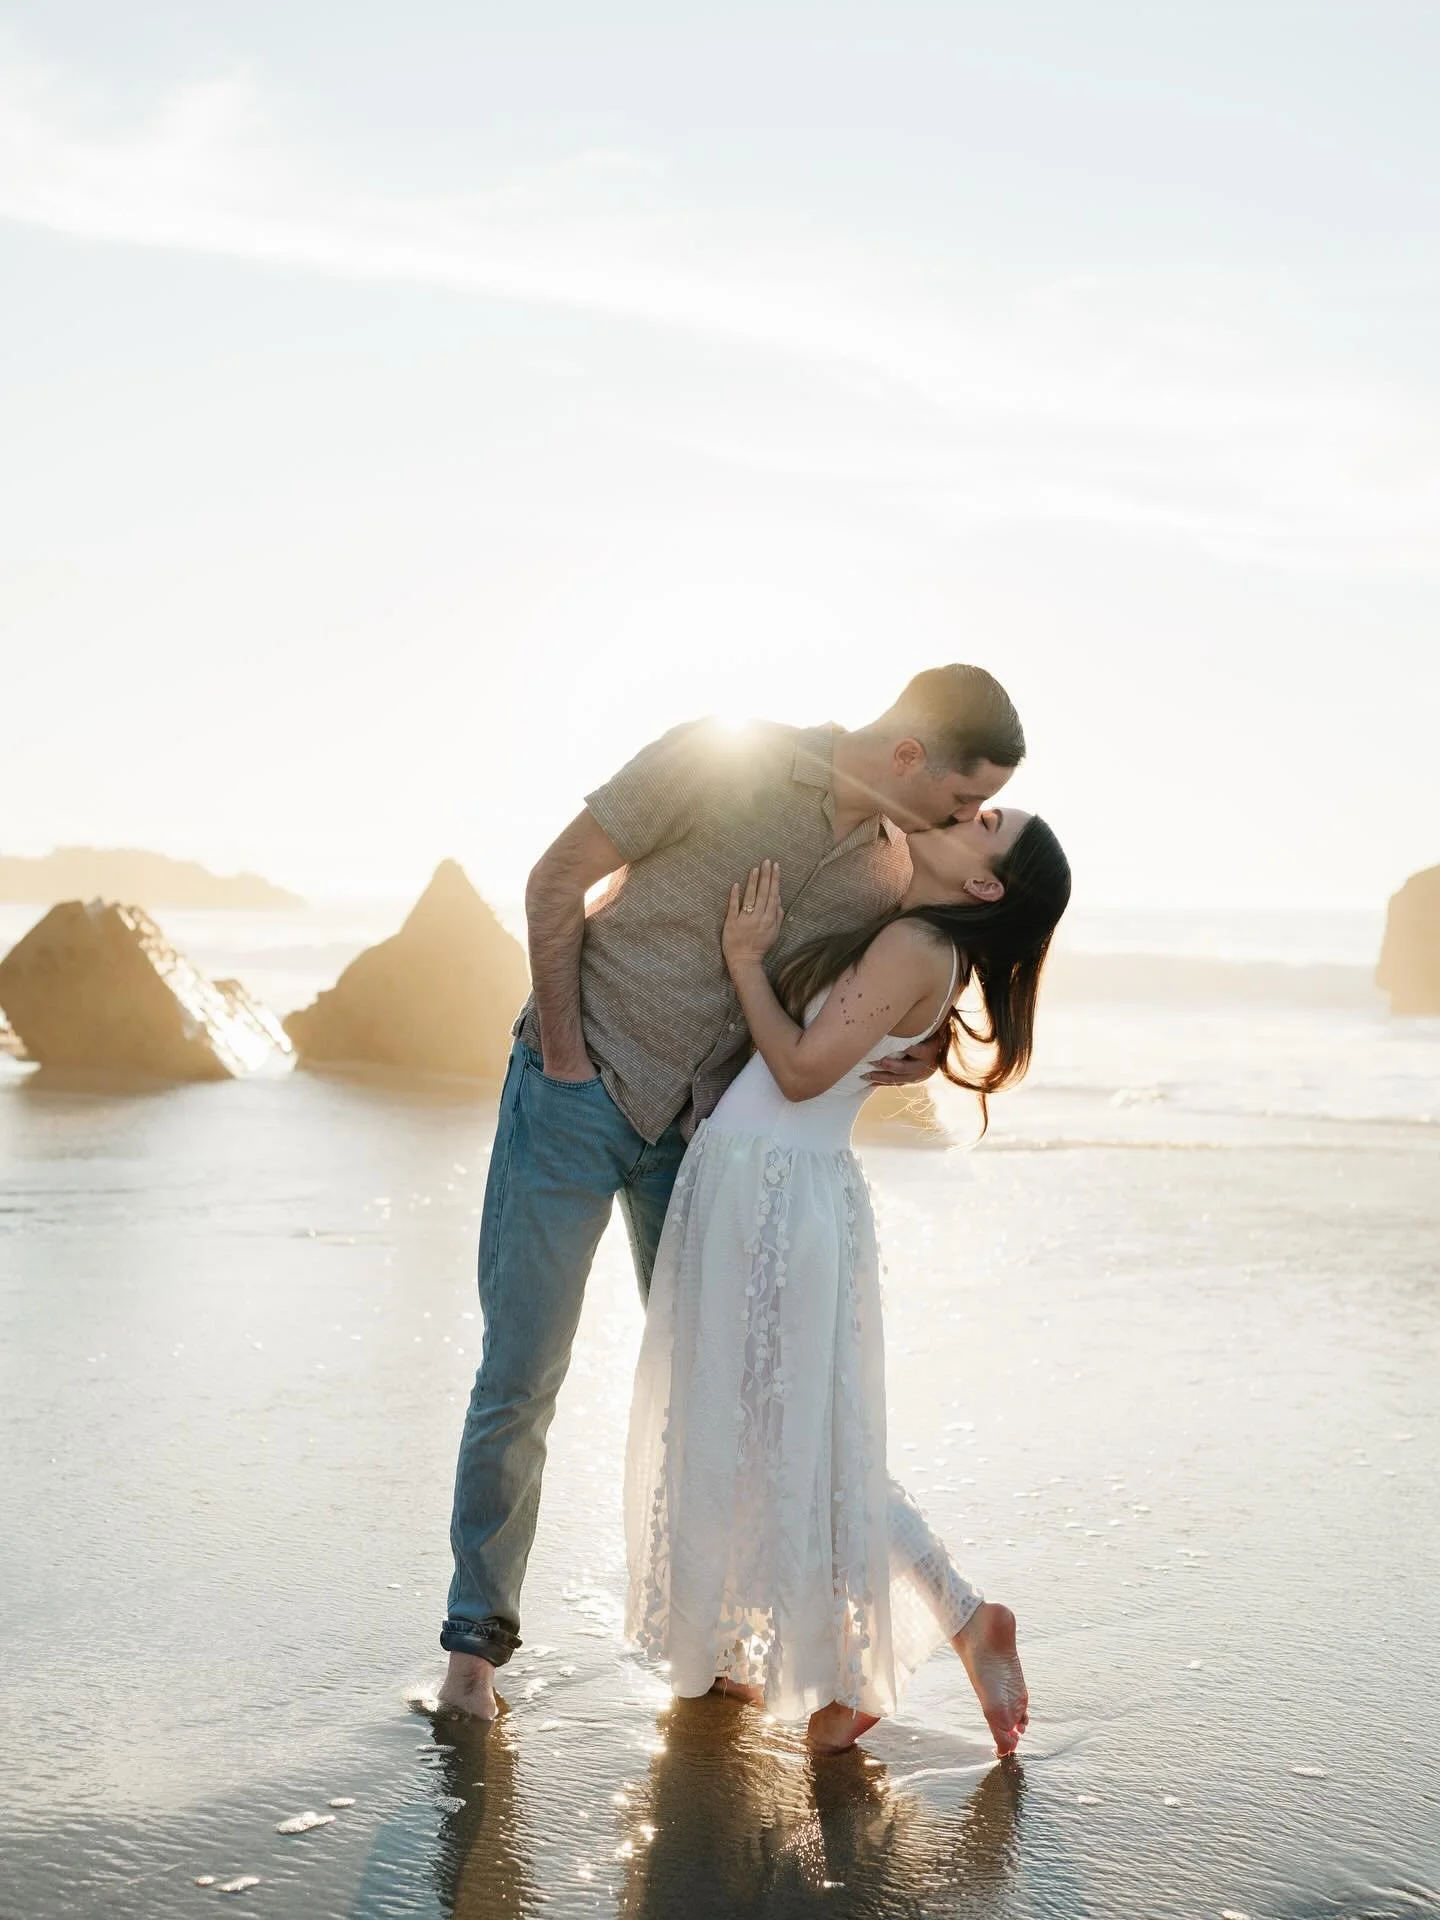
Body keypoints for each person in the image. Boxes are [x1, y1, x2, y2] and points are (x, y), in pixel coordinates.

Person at [439, 666, 1027, 1720]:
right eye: (954, 799)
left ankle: (719, 1648)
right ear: (907, 757)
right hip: (575, 1097)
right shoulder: (720, 759)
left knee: (735, 1408)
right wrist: (566, 1057)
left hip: (702, 1151)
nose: (955, 820)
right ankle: (473, 1655)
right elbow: (553, 880)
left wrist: (929, 1039)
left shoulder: (894, 869)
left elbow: (918, 963)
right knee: (522, 1375)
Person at [625, 807, 1071, 1753]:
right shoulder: (918, 938)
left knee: (797, 1442)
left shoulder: (918, 942)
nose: (963, 811)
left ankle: (937, 1627)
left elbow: (794, 1071)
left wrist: (745, 955)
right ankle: (847, 1663)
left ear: (986, 884)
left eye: (987, 821)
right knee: (788, 1441)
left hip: (772, 1188)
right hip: (773, 1186)